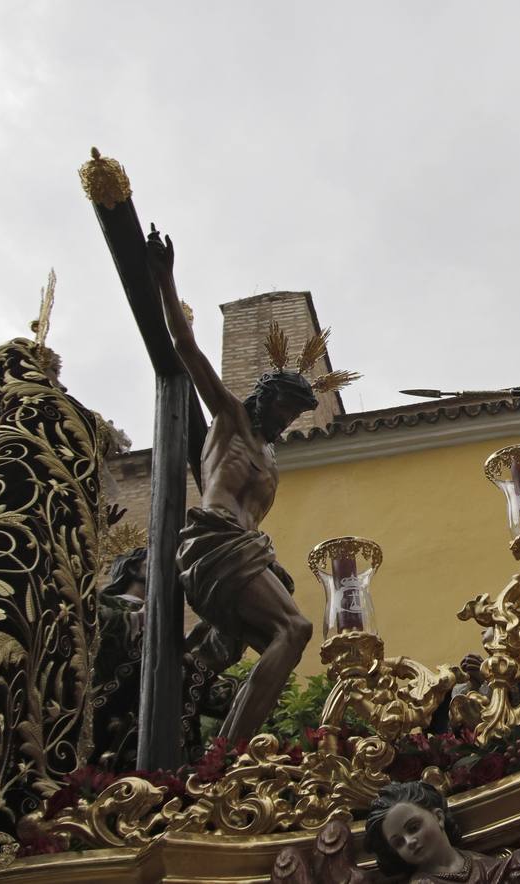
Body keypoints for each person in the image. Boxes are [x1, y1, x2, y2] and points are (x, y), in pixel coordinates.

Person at [147, 227, 355, 744]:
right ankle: (229, 755)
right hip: (214, 543)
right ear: (264, 396)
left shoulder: (271, 460)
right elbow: (185, 348)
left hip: (243, 554)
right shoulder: (231, 419)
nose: (287, 418)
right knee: (296, 629)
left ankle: (226, 742)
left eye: (296, 412)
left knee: (282, 643)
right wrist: (165, 281)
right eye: (283, 405)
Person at [365, 746, 520, 883]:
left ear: (438, 817)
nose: (410, 841)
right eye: (398, 842)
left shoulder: (473, 861)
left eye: (413, 827)